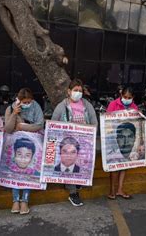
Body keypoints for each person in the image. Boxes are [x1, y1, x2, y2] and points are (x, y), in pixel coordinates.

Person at [51, 79, 98, 207]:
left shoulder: (86, 105)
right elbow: (54, 123)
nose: (78, 93)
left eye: (80, 91)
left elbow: (94, 122)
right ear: (69, 91)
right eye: (75, 90)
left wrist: (89, 132)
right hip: (68, 144)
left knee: (81, 166)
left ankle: (77, 185)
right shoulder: (62, 106)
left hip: (84, 142)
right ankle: (73, 193)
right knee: (69, 164)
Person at [4, 88, 44, 214]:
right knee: (15, 171)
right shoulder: (10, 109)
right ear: (18, 100)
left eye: (29, 102)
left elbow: (39, 125)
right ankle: (15, 200)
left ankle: (25, 201)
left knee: (28, 171)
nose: (27, 104)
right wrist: (14, 113)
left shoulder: (36, 107)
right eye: (24, 102)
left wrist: (21, 127)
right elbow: (8, 129)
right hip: (15, 146)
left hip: (32, 145)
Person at [106, 87, 138, 200]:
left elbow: (136, 122)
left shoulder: (134, 107)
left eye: (129, 98)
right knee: (114, 165)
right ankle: (112, 190)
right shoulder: (113, 104)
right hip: (115, 139)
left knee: (124, 165)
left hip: (127, 140)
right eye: (125, 97)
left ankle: (120, 189)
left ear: (133, 98)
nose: (127, 99)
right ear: (121, 95)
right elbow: (107, 121)